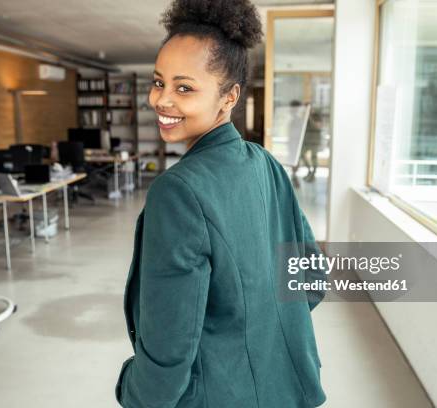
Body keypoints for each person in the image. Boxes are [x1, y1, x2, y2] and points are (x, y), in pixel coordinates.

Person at [115, 1, 327, 407]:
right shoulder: (265, 162)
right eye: (158, 82)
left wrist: (134, 394)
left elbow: (169, 346)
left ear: (229, 97)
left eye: (184, 88)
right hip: (292, 387)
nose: (161, 100)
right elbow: (312, 279)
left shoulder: (177, 192)